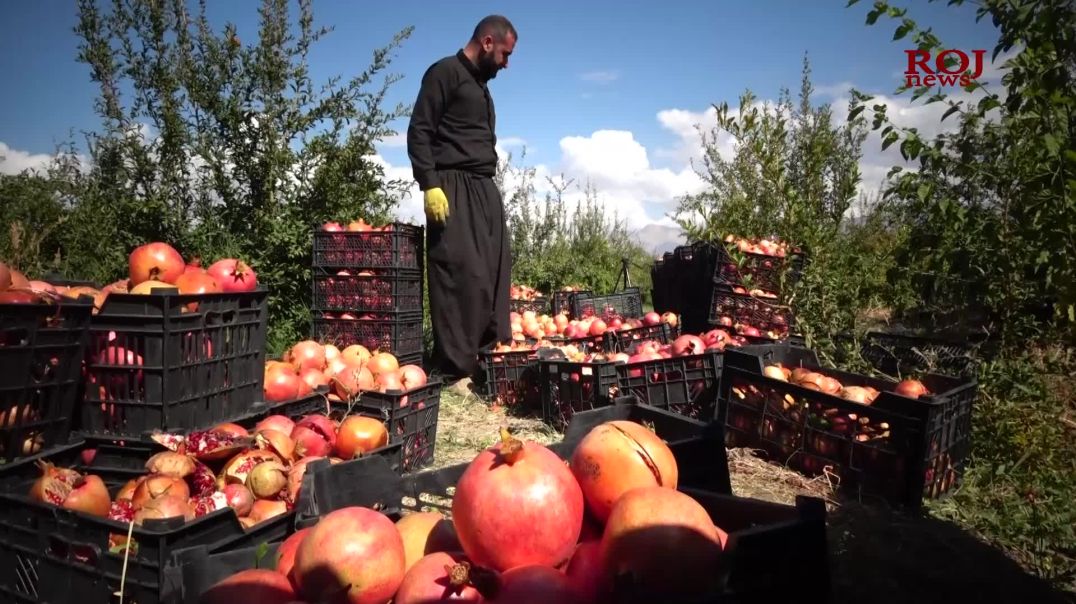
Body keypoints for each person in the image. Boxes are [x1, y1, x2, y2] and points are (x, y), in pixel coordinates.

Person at [407, 15, 517, 395]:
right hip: (451, 185)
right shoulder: (445, 73)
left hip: (484, 188)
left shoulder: (482, 88)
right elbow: (420, 129)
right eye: (505, 54)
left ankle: (487, 359)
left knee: (492, 273)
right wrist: (429, 183)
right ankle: (455, 370)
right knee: (460, 274)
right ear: (488, 42)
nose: (506, 63)